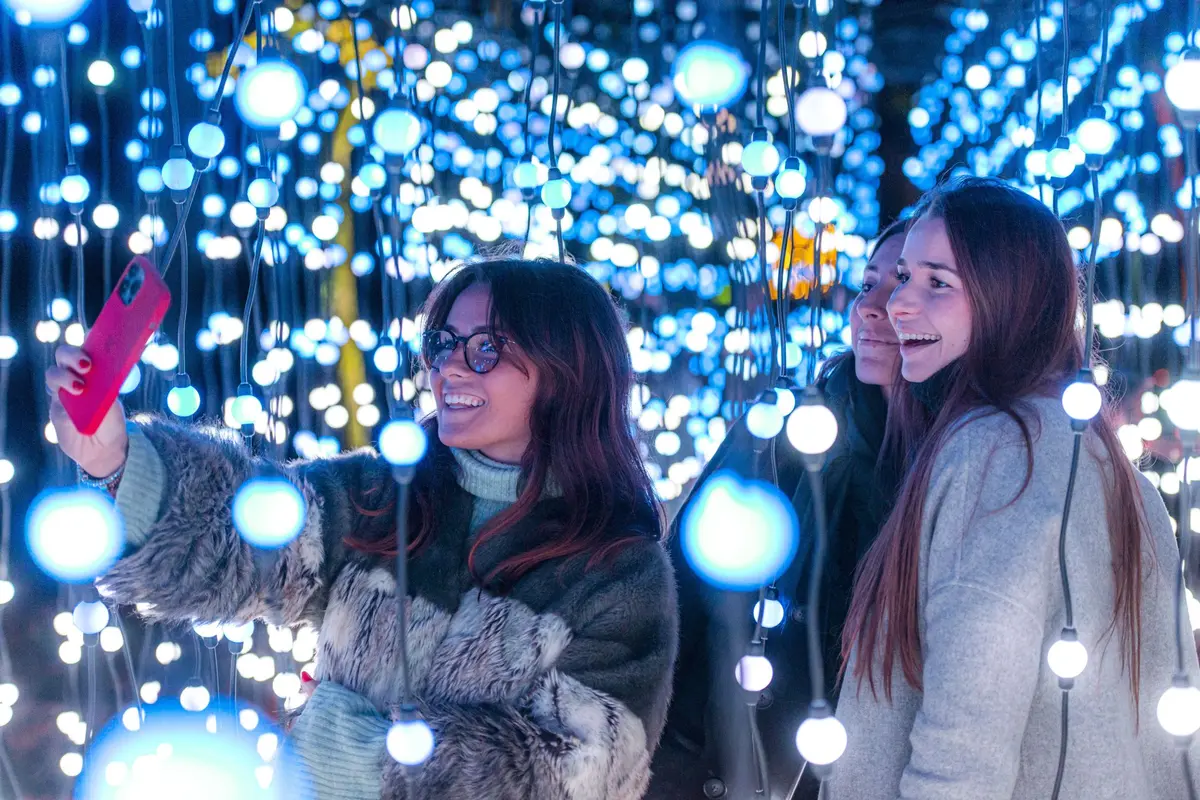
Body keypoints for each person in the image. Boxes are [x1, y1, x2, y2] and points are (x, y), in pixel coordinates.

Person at [45, 259, 678, 799]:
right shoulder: (386, 493)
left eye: (486, 348)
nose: (450, 368)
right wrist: (115, 457)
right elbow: (246, 536)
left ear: (569, 371)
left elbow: (583, 769)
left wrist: (359, 756)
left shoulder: (619, 569)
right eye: (442, 343)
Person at [830, 177, 1200, 800]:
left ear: (1010, 298)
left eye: (937, 283)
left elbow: (964, 746)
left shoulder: (997, 451)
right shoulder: (1099, 457)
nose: (899, 304)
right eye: (902, 278)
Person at [647, 219, 909, 800]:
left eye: (908, 282)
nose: (874, 307)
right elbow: (676, 593)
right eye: (869, 284)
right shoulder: (782, 429)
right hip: (714, 765)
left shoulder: (951, 470)